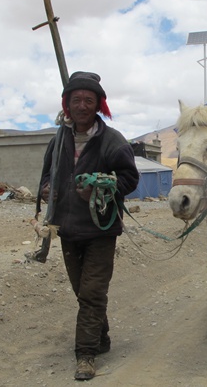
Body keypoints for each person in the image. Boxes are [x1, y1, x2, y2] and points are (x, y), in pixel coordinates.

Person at [39, 71, 139, 380]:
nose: (82, 105)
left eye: (89, 100)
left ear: (99, 105)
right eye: (76, 99)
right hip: (67, 231)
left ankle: (85, 354)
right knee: (83, 292)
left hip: (100, 230)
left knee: (92, 293)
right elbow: (45, 176)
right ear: (67, 103)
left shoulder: (111, 140)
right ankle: (101, 337)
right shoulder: (58, 140)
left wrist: (100, 189)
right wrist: (46, 190)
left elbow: (129, 178)